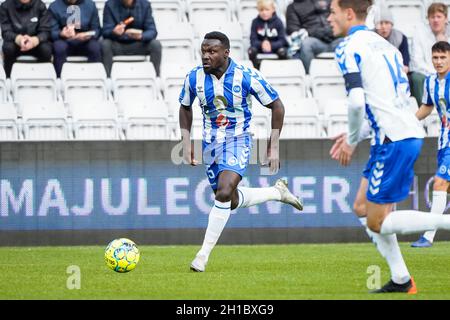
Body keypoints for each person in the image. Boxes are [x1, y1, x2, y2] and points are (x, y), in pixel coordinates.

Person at [328, 0, 450, 294]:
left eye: (332, 13)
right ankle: (401, 279)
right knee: (360, 206)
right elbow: (388, 102)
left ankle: (445, 222)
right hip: (401, 132)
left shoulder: (348, 46)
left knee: (377, 221)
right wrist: (358, 133)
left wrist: (353, 139)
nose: (328, 19)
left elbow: (357, 100)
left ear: (347, 13)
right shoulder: (386, 47)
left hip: (392, 140)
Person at [179, 31, 303, 272]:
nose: (206, 56)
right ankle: (277, 193)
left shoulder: (246, 76)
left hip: (238, 140)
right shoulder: (193, 77)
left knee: (223, 193)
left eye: (212, 51)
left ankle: (202, 256)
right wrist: (185, 142)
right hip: (210, 145)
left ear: (226, 53)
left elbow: (276, 105)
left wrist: (273, 143)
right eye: (204, 51)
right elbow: (184, 108)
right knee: (231, 200)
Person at [410, 42, 450, 248]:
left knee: (440, 183)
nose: (439, 61)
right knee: (444, 187)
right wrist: (408, 122)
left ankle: (428, 236)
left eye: (443, 57)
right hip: (444, 141)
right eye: (435, 57)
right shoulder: (430, 82)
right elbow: (427, 106)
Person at [102, 0, 162, 77]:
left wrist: (141, 36)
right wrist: (114, 32)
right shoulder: (110, 5)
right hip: (118, 44)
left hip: (139, 44)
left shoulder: (145, 4)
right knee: (105, 44)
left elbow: (152, 31)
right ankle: (108, 78)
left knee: (155, 45)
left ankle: (155, 78)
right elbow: (105, 31)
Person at [410, 2, 450, 106]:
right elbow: (416, 61)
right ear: (428, 19)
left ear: (446, 18)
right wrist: (435, 73)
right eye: (432, 17)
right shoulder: (419, 32)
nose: (436, 20)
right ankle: (423, 112)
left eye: (439, 16)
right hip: (426, 73)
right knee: (416, 78)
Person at [49, 0, 102, 77]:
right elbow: (51, 32)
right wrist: (61, 33)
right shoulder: (54, 6)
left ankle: (94, 79)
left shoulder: (90, 5)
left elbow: (97, 29)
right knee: (58, 47)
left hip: (85, 41)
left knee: (95, 47)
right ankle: (60, 79)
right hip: (64, 40)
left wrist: (89, 35)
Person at [0, 0, 52, 77]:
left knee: (46, 49)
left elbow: (45, 30)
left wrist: (35, 40)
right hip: (15, 42)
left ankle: (43, 78)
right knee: (8, 48)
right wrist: (19, 39)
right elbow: (6, 31)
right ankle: (8, 79)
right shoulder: (6, 6)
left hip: (35, 43)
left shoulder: (40, 5)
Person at [286, 0, 341, 73]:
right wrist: (315, 32)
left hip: (336, 38)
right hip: (315, 42)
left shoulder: (330, 1)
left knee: (351, 40)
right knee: (306, 44)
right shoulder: (292, 7)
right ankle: (311, 77)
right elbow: (294, 32)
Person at [248, 0, 288, 69]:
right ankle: (256, 70)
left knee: (283, 51)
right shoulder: (255, 22)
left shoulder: (278, 22)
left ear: (273, 10)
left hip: (275, 48)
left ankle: (280, 69)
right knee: (251, 51)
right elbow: (253, 40)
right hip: (260, 48)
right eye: (261, 10)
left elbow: (282, 40)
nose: (264, 12)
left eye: (267, 10)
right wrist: (261, 44)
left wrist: (271, 46)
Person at [374, 4, 410, 74]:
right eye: (380, 23)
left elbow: (405, 64)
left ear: (392, 24)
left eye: (387, 23)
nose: (383, 26)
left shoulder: (400, 37)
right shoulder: (369, 37)